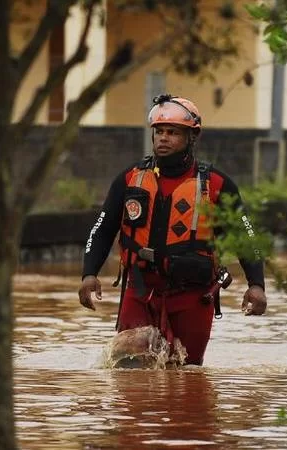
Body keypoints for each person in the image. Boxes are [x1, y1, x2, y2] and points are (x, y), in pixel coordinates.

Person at [78, 94, 267, 366]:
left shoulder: (216, 185)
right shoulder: (129, 179)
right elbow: (102, 228)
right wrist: (89, 274)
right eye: (159, 132)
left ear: (192, 137)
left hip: (192, 295)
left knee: (186, 376)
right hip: (140, 289)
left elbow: (246, 238)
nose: (163, 138)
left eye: (173, 133)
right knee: (128, 369)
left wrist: (256, 285)